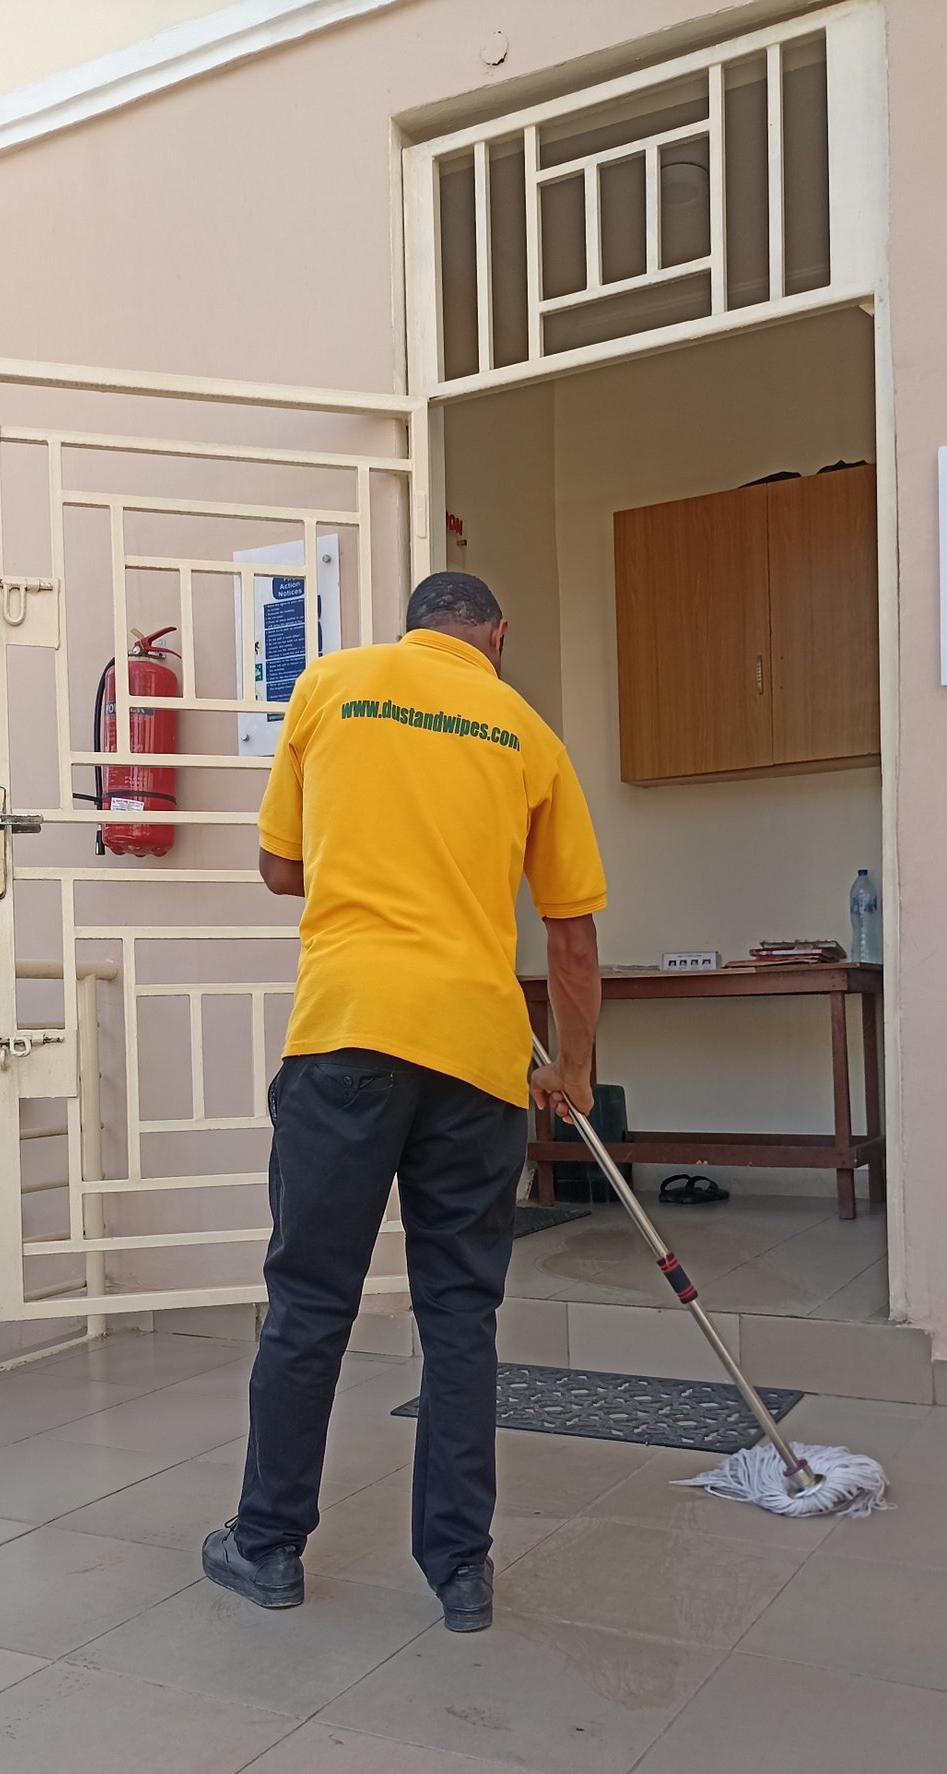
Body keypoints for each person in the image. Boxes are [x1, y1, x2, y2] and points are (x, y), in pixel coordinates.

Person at [202, 571, 605, 1632]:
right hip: (476, 1057)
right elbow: (570, 931)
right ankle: (460, 1571)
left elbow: (279, 868)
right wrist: (570, 1068)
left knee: (309, 1305)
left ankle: (267, 1545)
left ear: (412, 627)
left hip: (345, 1037)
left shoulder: (331, 684)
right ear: (496, 633)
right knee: (460, 1315)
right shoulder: (528, 731)